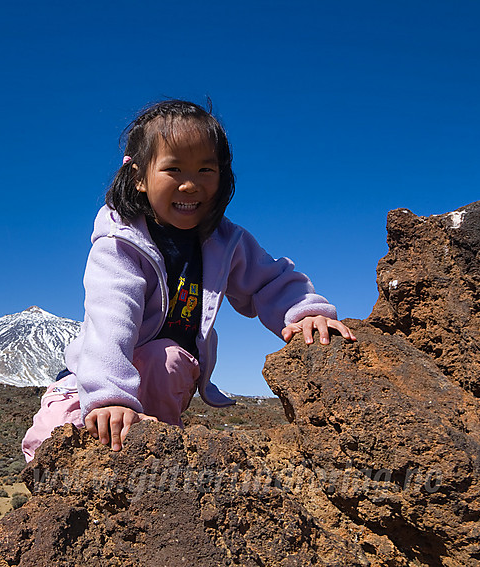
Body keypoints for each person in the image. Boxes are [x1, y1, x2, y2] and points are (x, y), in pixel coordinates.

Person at [22, 99, 355, 461]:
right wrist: (110, 397)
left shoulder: (226, 241)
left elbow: (269, 280)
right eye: (174, 169)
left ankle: (156, 454)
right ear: (138, 178)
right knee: (54, 436)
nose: (190, 185)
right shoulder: (119, 244)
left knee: (167, 360)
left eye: (205, 170)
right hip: (97, 376)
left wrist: (304, 312)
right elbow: (110, 319)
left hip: (167, 371)